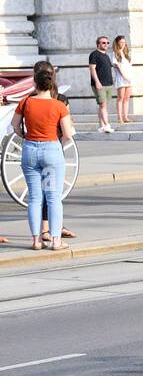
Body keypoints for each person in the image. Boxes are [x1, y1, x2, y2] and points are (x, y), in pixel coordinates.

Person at [12, 63, 75, 250]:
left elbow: (15, 126)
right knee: (53, 197)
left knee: (34, 198)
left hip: (30, 151)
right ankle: (56, 240)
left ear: (35, 83)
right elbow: (68, 133)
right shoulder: (59, 105)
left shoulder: (25, 102)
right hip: (51, 151)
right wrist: (59, 145)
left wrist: (25, 136)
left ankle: (36, 240)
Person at [88, 35, 116, 132]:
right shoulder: (94, 54)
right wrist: (97, 82)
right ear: (98, 44)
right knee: (103, 105)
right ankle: (107, 125)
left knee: (102, 105)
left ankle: (101, 126)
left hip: (108, 84)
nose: (106, 44)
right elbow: (92, 69)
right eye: (103, 43)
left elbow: (108, 69)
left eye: (107, 43)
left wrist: (112, 80)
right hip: (100, 84)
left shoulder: (106, 56)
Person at [111, 35, 133, 125]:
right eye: (121, 42)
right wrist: (125, 77)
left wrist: (129, 78)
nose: (123, 44)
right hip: (121, 79)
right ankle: (119, 117)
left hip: (129, 78)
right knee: (120, 98)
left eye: (124, 42)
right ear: (117, 43)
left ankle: (125, 116)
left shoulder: (127, 54)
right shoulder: (115, 54)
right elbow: (118, 66)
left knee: (127, 98)